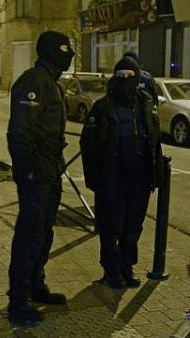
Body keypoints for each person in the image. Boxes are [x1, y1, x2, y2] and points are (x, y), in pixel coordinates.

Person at [6, 31, 74, 327]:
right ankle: (18, 300)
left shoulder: (52, 82)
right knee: (30, 235)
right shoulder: (34, 81)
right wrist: (28, 171)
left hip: (49, 170)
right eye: (64, 49)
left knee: (44, 232)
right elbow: (20, 133)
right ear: (49, 51)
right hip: (36, 173)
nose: (69, 53)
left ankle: (36, 285)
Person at [80, 56, 163, 289]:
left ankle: (127, 266)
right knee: (110, 227)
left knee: (133, 227)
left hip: (140, 176)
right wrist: (96, 180)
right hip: (112, 178)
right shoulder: (103, 107)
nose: (125, 80)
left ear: (137, 78)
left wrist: (156, 174)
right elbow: (88, 146)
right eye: (120, 75)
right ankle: (111, 270)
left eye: (130, 75)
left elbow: (155, 141)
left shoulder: (146, 103)